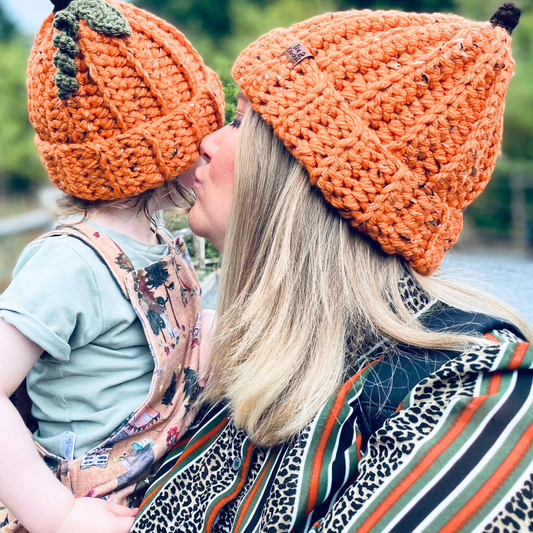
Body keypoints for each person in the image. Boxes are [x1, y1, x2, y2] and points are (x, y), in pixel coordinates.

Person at [132, 4, 533, 533]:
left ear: (303, 179)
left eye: (241, 119)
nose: (207, 143)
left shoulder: (470, 396)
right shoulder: (258, 352)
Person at [0, 0, 223, 532]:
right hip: (94, 502)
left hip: (155, 479)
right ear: (163, 154)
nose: (213, 146)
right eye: (202, 135)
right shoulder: (68, 263)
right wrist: (56, 515)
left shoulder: (159, 240)